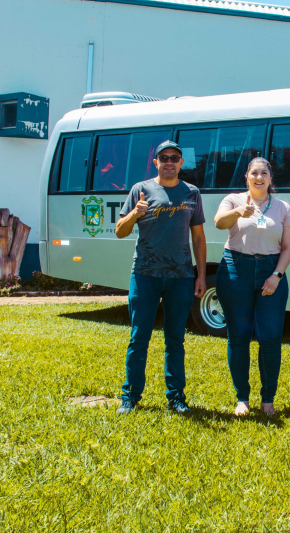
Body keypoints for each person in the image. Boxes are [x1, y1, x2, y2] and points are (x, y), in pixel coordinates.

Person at [115, 140, 206, 414]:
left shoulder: (192, 193)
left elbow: (199, 238)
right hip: (145, 274)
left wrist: (200, 275)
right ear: (156, 162)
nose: (169, 161)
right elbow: (120, 231)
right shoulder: (140, 190)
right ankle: (130, 397)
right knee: (138, 337)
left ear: (181, 162)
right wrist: (135, 212)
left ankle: (176, 397)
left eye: (174, 157)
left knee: (175, 339)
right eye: (163, 157)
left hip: (180, 276)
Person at [214, 158, 290, 416]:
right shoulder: (233, 200)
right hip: (236, 268)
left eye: (264, 173)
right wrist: (239, 212)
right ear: (246, 177)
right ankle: (242, 398)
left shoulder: (282, 207)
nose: (259, 177)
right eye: (254, 173)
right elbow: (219, 223)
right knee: (238, 336)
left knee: (270, 337)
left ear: (271, 178)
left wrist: (276, 276)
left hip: (271, 270)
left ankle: (268, 399)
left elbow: (289, 246)